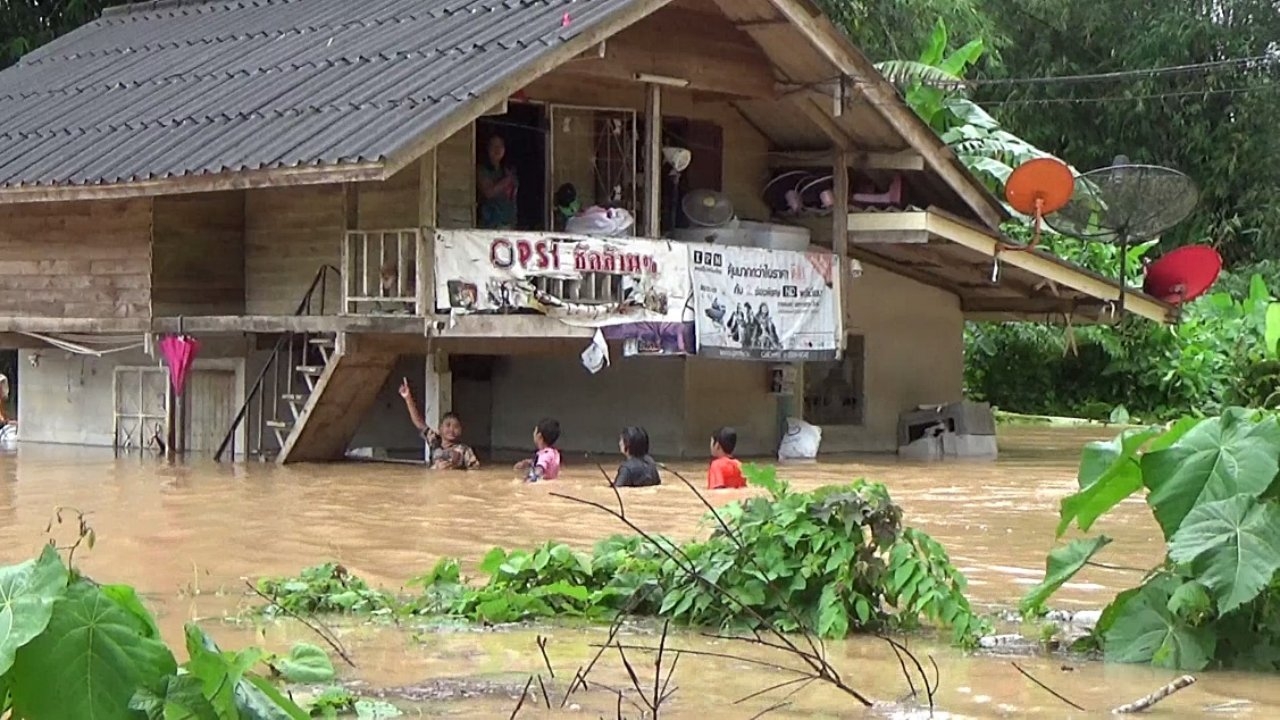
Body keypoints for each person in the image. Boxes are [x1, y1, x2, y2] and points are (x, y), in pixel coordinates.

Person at [397, 378, 479, 470]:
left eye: (456, 426)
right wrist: (408, 398)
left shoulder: (465, 450)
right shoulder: (434, 441)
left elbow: (475, 472)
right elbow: (419, 422)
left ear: (461, 430)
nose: (451, 430)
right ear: (439, 429)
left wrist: (455, 468)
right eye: (448, 425)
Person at [477, 134, 518, 229]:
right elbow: (488, 192)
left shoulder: (506, 170)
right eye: (494, 146)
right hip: (489, 223)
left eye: (500, 146)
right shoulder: (482, 170)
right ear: (487, 149)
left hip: (508, 222)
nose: (497, 149)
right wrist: (507, 180)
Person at [515, 418, 561, 482]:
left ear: (539, 436)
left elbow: (540, 468)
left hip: (543, 484)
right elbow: (545, 464)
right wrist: (528, 463)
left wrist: (530, 479)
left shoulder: (545, 454)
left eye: (535, 431)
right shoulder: (554, 452)